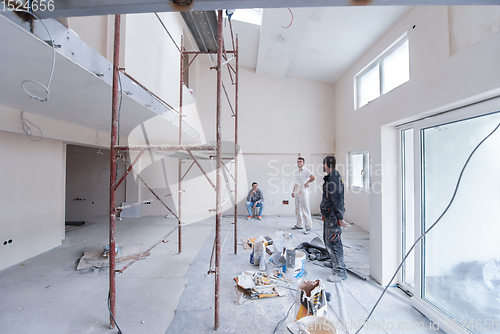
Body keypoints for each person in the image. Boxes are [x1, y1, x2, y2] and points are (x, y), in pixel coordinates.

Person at [320, 155, 349, 282]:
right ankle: (334, 262)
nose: (322, 166)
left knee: (334, 242)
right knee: (328, 241)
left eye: (323, 164)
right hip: (329, 215)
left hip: (333, 216)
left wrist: (340, 218)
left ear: (326, 164)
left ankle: (340, 271)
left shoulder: (334, 179)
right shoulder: (331, 177)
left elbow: (337, 200)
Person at [291, 157, 316, 235]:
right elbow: (296, 182)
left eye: (300, 162)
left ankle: (308, 227)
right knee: (297, 209)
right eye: (298, 161)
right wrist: (293, 191)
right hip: (297, 192)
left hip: (303, 192)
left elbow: (313, 177)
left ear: (303, 163)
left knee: (305, 209)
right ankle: (299, 224)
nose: (299, 163)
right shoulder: (296, 172)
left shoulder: (306, 171)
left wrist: (307, 182)